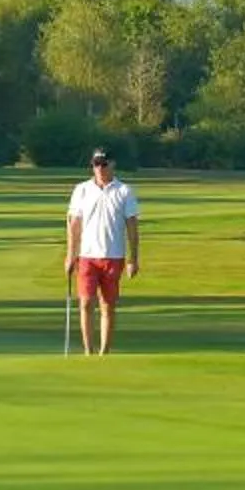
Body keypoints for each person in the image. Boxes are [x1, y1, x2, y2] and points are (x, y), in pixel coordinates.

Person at [63, 148, 140, 356]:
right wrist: (70, 255)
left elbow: (132, 227)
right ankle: (88, 351)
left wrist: (133, 259)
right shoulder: (82, 190)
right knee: (86, 302)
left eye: (103, 164)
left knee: (107, 305)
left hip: (113, 256)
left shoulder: (124, 191)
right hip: (87, 256)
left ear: (112, 164)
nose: (99, 168)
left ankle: (104, 352)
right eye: (96, 164)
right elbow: (74, 225)